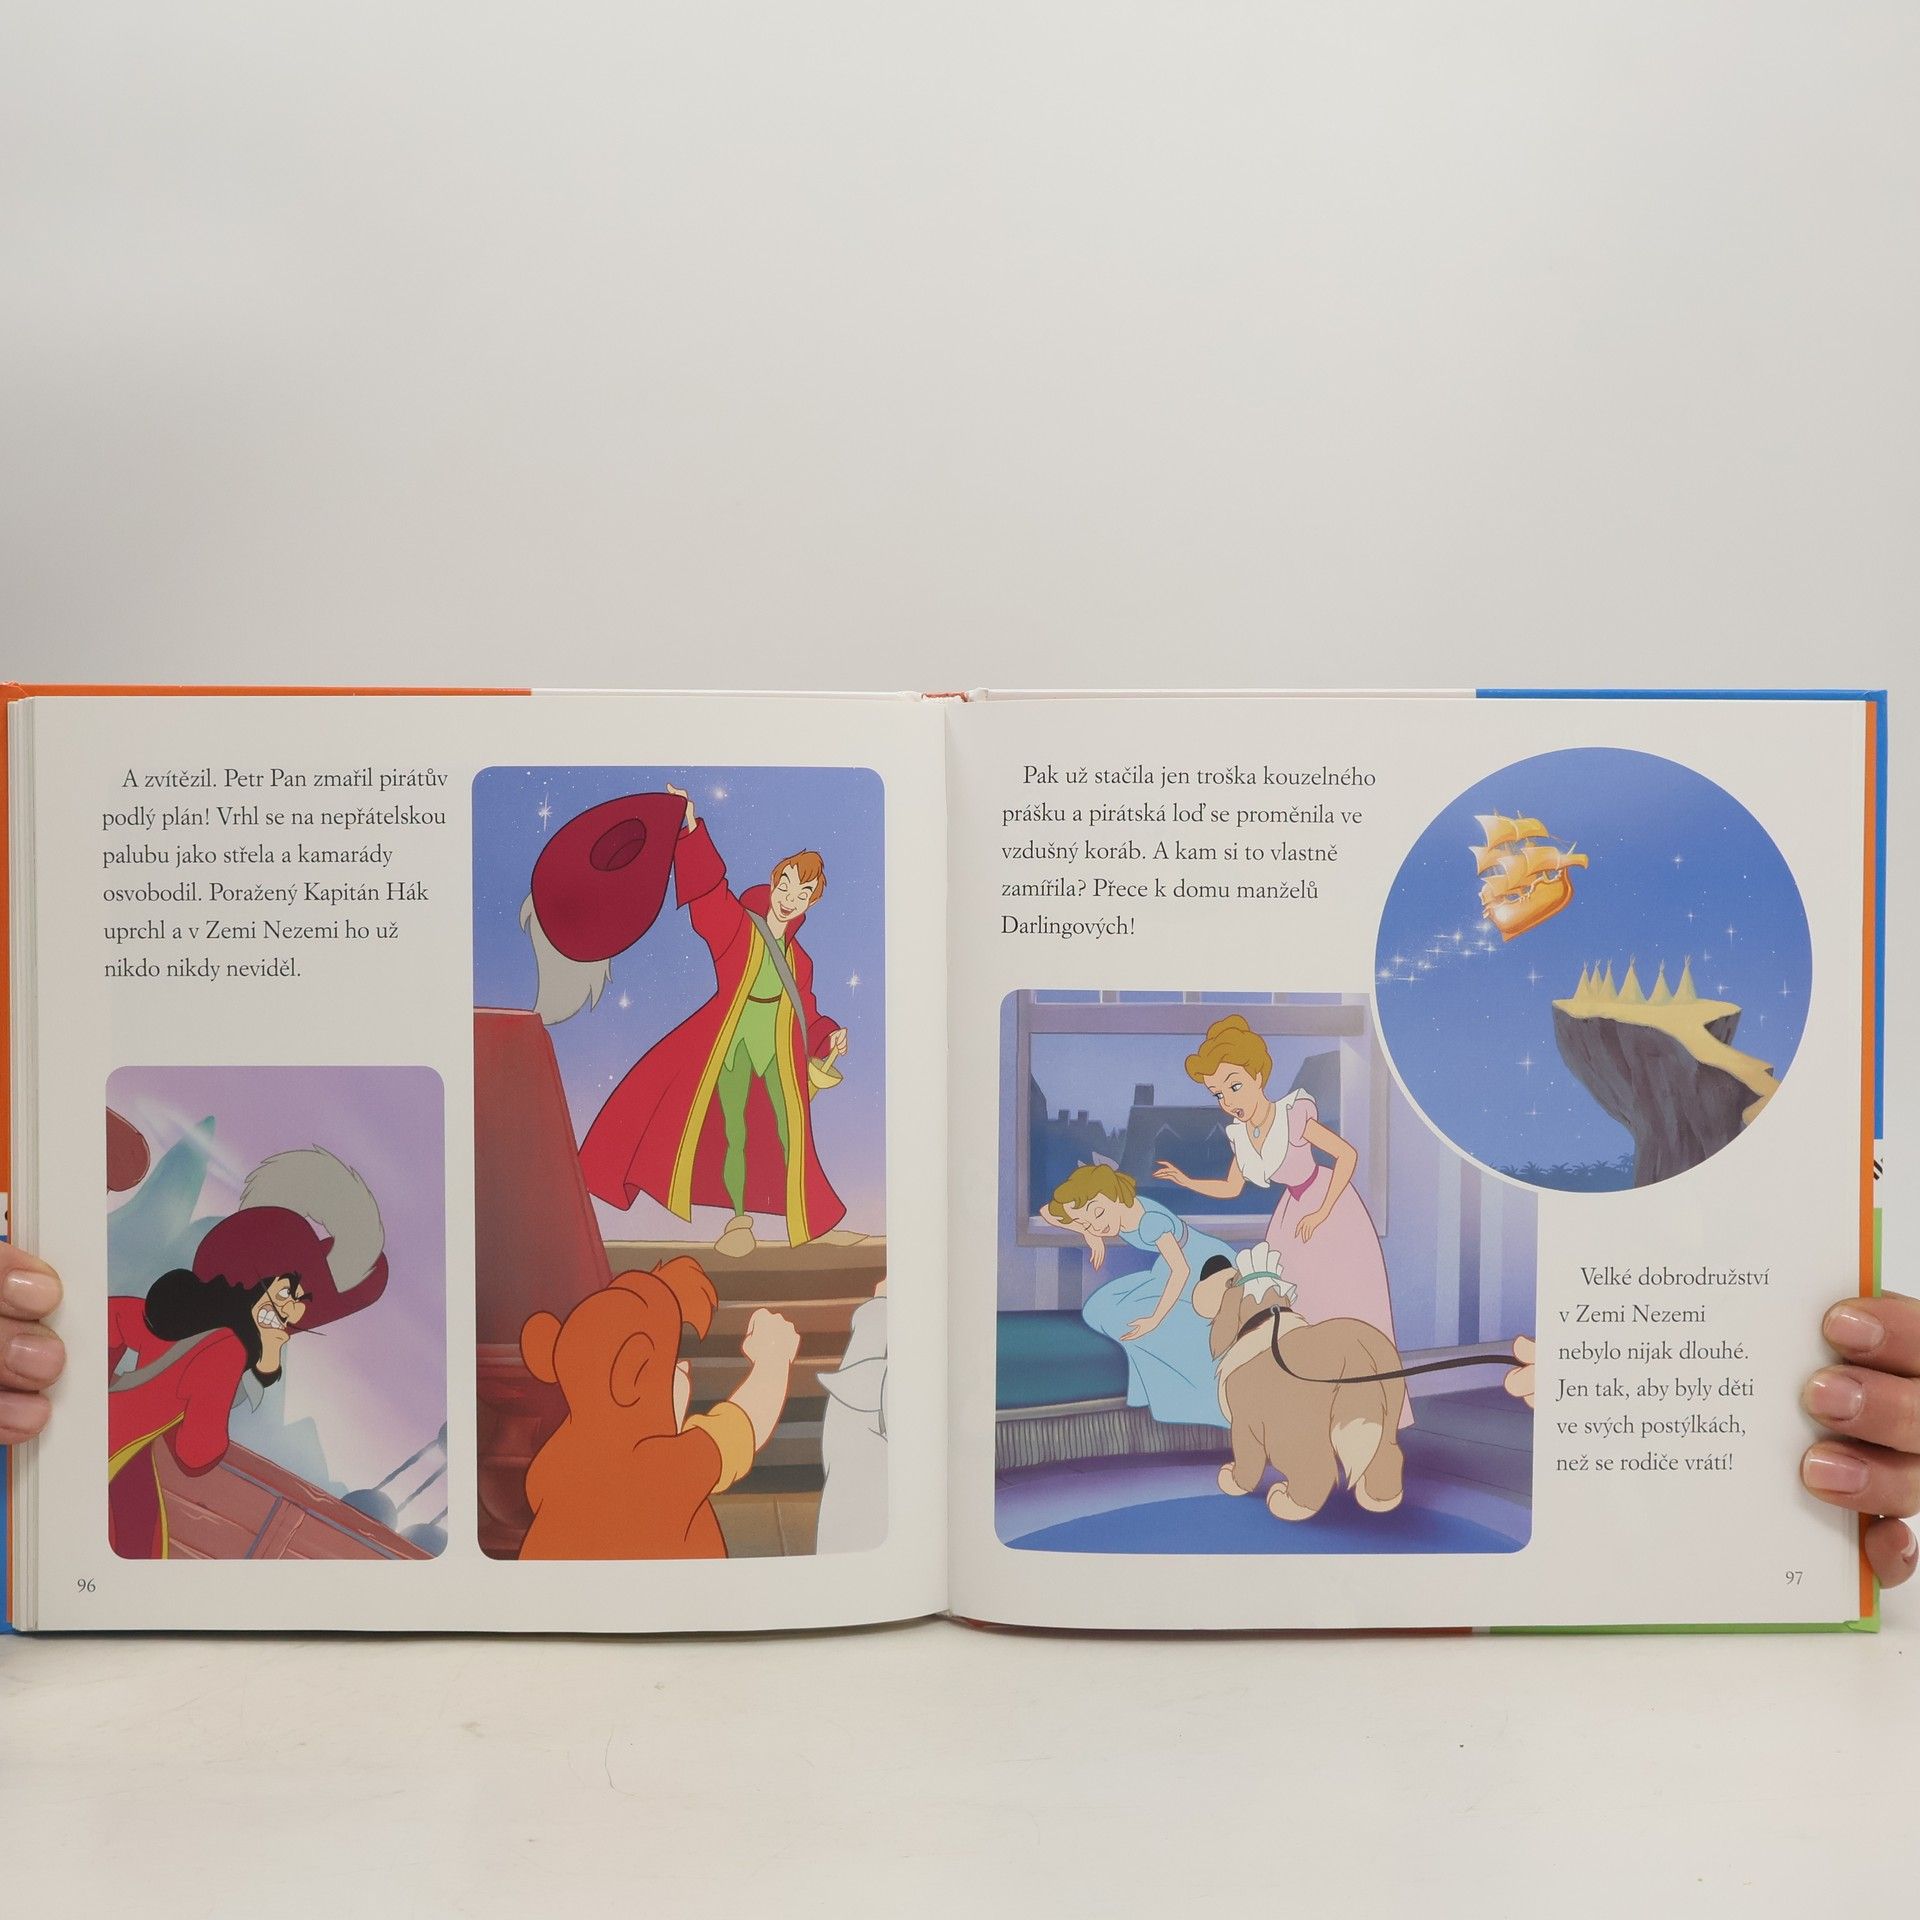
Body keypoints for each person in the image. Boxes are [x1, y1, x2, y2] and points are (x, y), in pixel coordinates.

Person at [4, 1246, 1919, 1587]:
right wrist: (771, 1382)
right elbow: (727, 1436)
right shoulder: (646, 1443)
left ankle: (1347, 1453)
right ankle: (1328, 1452)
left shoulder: (601, 1434)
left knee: (1311, 1413)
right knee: (1289, 1417)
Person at [524, 783, 850, 1258]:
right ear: (774, 881)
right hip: (729, 1046)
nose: (789, 897)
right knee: (734, 1132)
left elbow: (808, 1011)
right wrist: (694, 829)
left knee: (788, 1134)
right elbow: (710, 897)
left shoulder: (801, 961)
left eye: (801, 893)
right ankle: (739, 1222)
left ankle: (803, 1219)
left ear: (810, 903)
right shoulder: (742, 928)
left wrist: (828, 1037)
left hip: (777, 1052)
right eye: (785, 885)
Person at [1156, 1015, 1410, 1425]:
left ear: (1258, 1076)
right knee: (1297, 1311)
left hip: (1329, 1208)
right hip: (1291, 1215)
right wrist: (1186, 1180)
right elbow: (1231, 1188)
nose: (1229, 1101)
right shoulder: (1241, 1135)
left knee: (1344, 1305)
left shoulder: (1293, 1115)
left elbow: (1346, 1156)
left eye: (1235, 1086)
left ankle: (1367, 1410)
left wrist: (1323, 1210)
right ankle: (1315, 1412)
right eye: (1218, 1094)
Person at [1046, 1164, 1236, 1429]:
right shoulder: (1114, 1211)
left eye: (1098, 1213)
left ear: (1114, 1196)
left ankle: (1208, 1397)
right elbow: (1048, 1212)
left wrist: (1155, 1319)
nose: (1098, 1225)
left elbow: (1181, 1271)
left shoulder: (1149, 1223)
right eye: (1088, 1220)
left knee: (1135, 1323)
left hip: (1204, 1268)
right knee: (1098, 1308)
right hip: (1168, 1269)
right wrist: (1089, 1232)